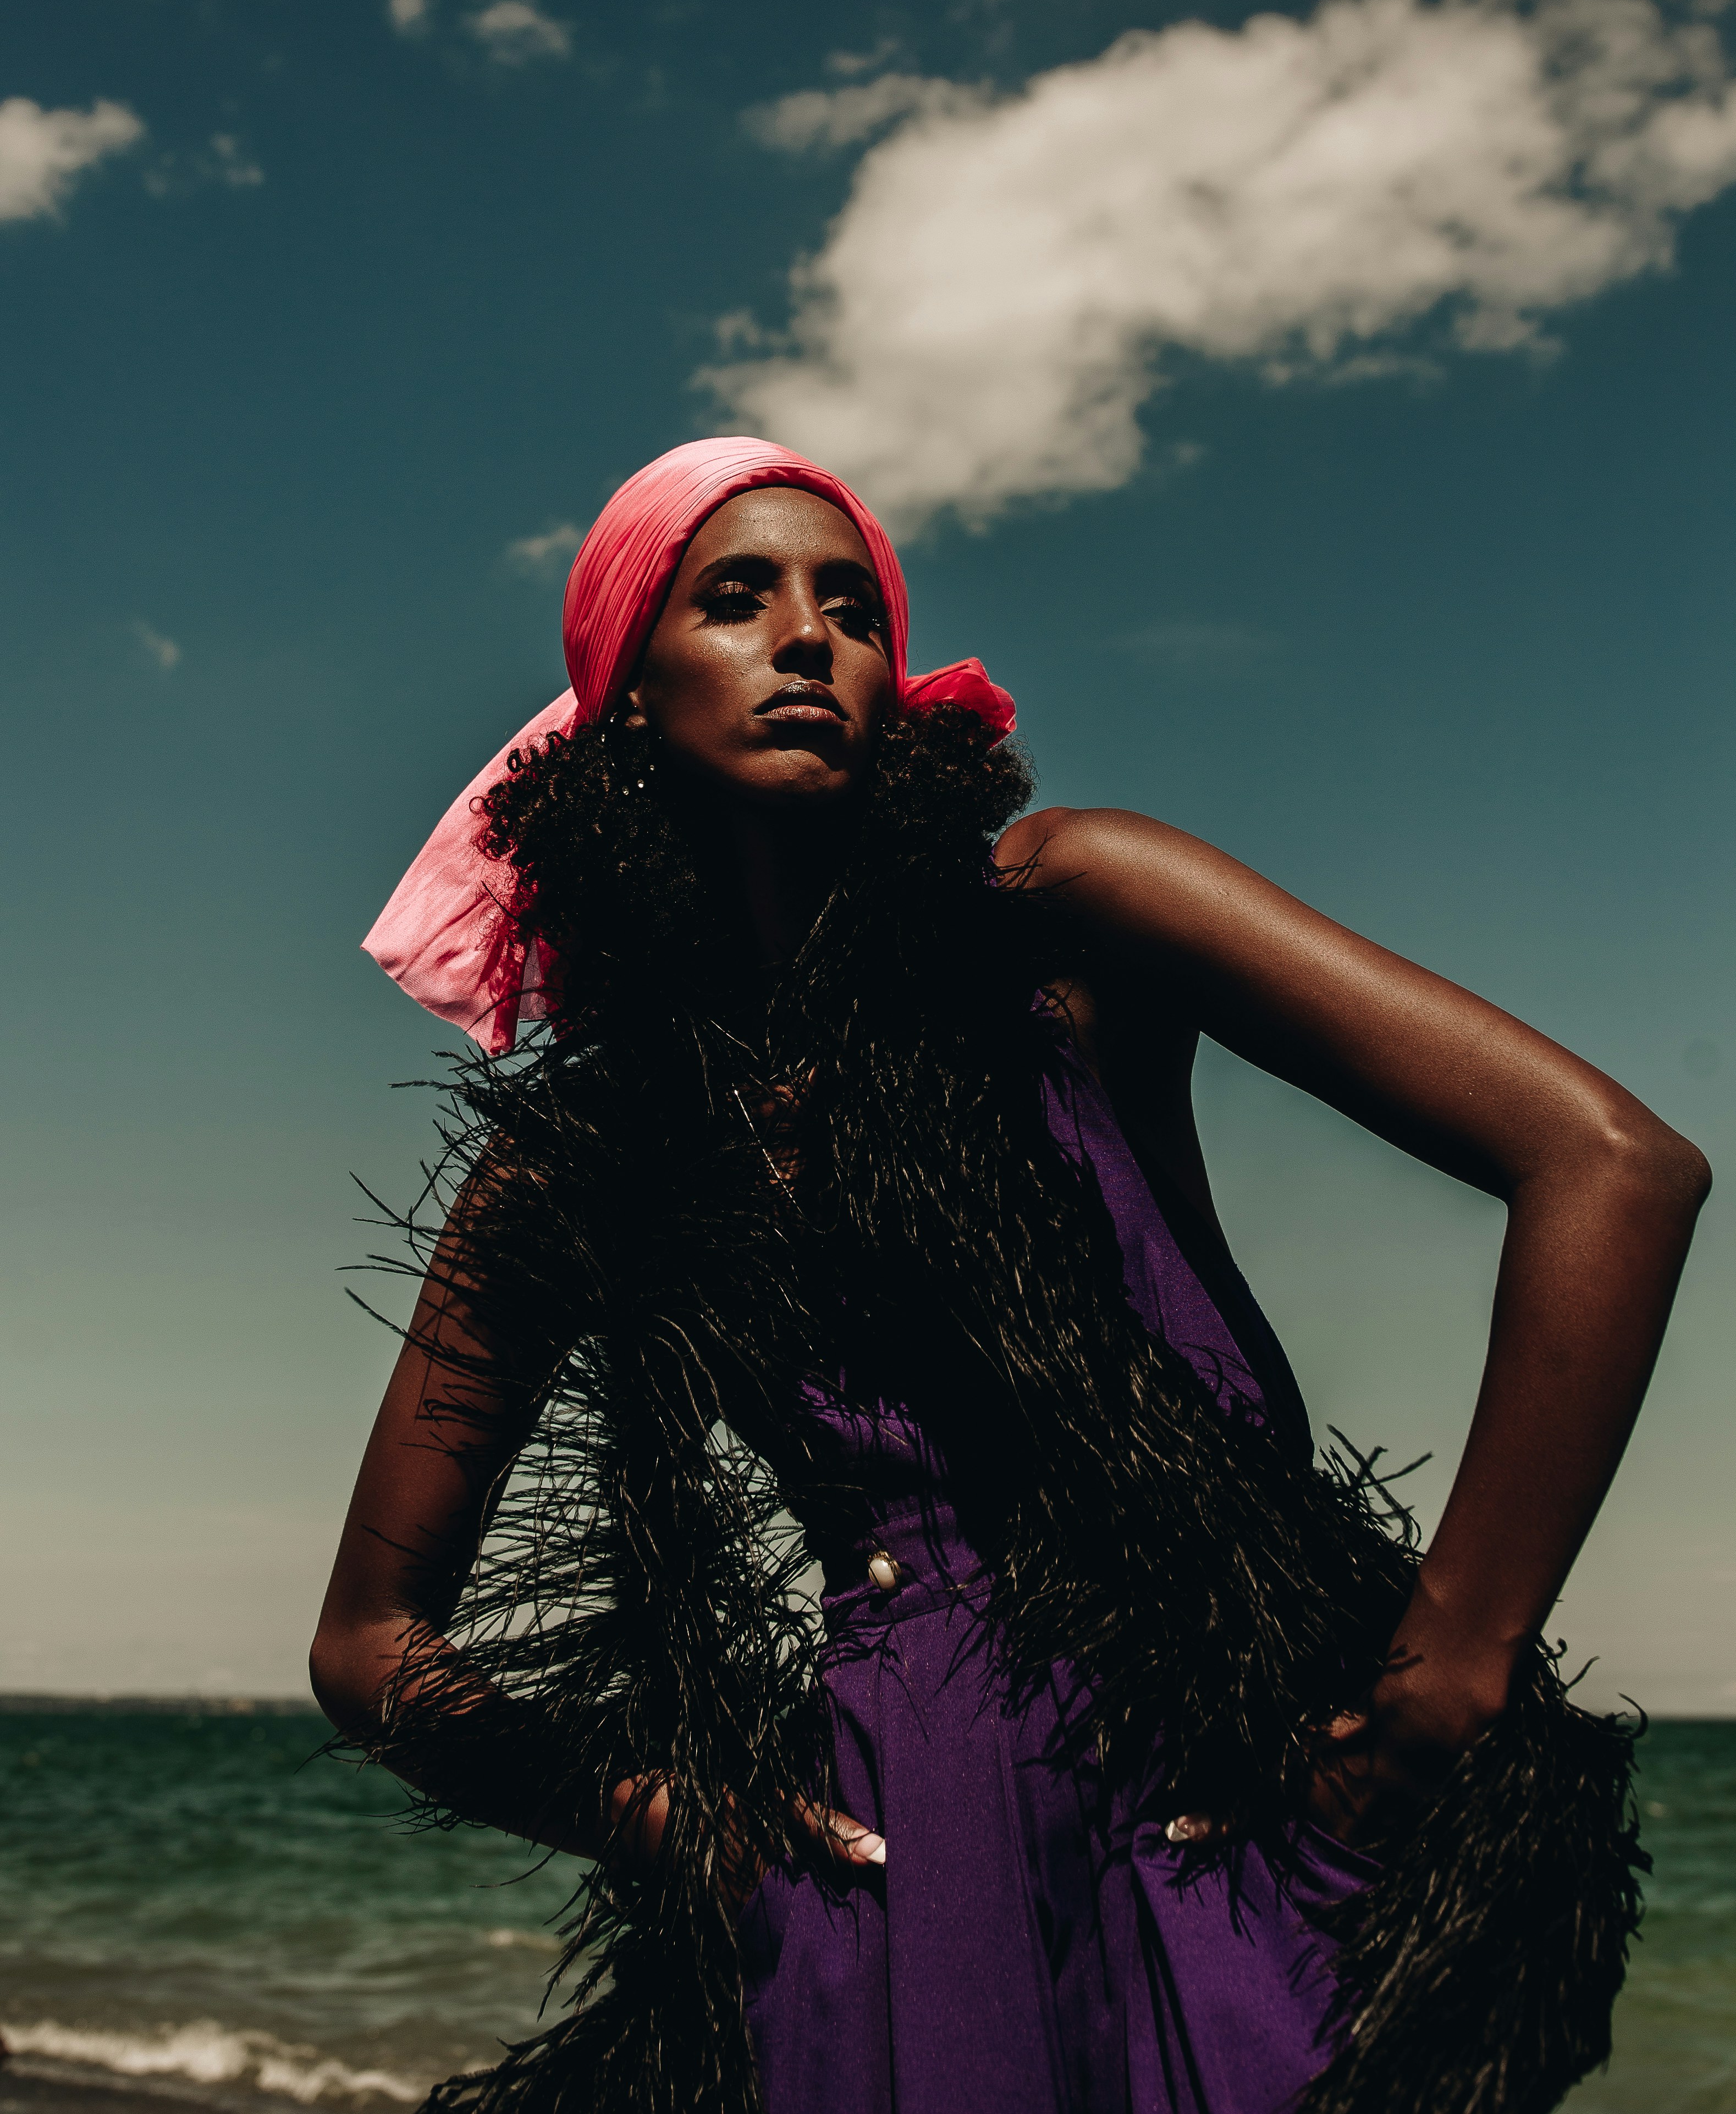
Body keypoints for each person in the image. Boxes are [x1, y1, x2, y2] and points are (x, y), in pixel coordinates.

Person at [311, 438, 1709, 2114]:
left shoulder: (1062, 916)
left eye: (852, 607)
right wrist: (680, 1821)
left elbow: (1613, 1170)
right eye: (736, 597)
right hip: (886, 1868)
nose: (810, 637)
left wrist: (1442, 1684)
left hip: (1237, 1790)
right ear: (624, 698)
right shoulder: (595, 1143)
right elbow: (370, 1643)